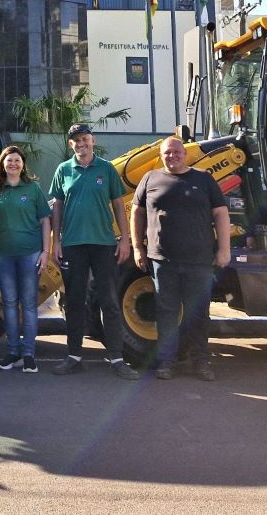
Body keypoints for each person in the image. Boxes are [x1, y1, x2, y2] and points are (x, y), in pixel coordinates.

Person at [130, 136, 231, 381]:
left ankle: (201, 361)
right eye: (167, 153)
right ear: (161, 156)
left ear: (185, 154)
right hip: (162, 260)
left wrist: (224, 249)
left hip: (199, 260)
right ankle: (167, 362)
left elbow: (220, 213)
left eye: (176, 152)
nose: (172, 156)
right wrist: (137, 247)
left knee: (198, 314)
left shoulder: (204, 179)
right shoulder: (150, 179)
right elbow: (137, 211)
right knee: (166, 313)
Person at [49, 123, 139, 380]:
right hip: (73, 246)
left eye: (85, 139)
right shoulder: (63, 170)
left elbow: (119, 206)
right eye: (76, 140)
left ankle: (117, 358)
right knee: (75, 302)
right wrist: (56, 242)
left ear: (92, 140)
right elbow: (57, 207)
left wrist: (124, 240)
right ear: (71, 144)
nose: (81, 144)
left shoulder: (107, 169)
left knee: (110, 302)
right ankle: (74, 356)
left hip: (104, 245)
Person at [0, 145, 51, 373]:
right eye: (9, 160)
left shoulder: (33, 189)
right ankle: (12, 351)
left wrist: (46, 252)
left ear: (23, 165)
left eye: (17, 161)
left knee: (29, 304)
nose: (13, 164)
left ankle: (29, 354)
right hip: (3, 255)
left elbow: (45, 221)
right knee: (10, 303)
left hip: (30, 254)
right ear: (2, 164)